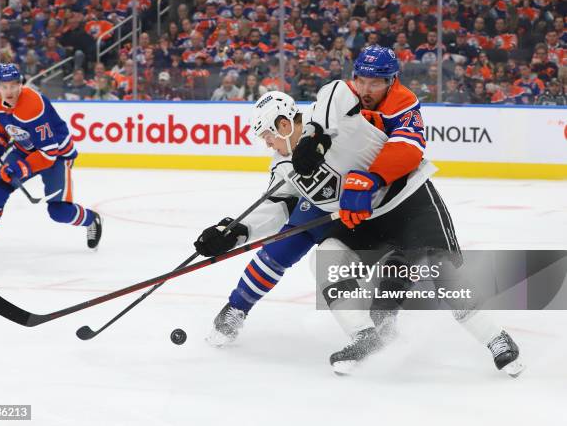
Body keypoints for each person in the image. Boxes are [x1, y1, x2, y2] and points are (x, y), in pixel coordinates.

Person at [194, 46, 522, 376]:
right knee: (326, 258)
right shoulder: (283, 166)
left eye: (267, 135)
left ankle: (497, 338)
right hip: (367, 222)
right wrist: (234, 231)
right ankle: (365, 338)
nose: (267, 144)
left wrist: (316, 138)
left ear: (282, 124)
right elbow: (277, 205)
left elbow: (335, 95)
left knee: (441, 273)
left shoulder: (333, 108)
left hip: (408, 202)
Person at [0, 64, 102, 254]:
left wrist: (20, 169)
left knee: (59, 212)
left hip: (57, 155)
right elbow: (5, 125)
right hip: (25, 150)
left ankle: (91, 219)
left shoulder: (32, 107)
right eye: (4, 86)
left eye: (13, 85)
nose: (9, 91)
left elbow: (48, 153)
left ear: (21, 84)